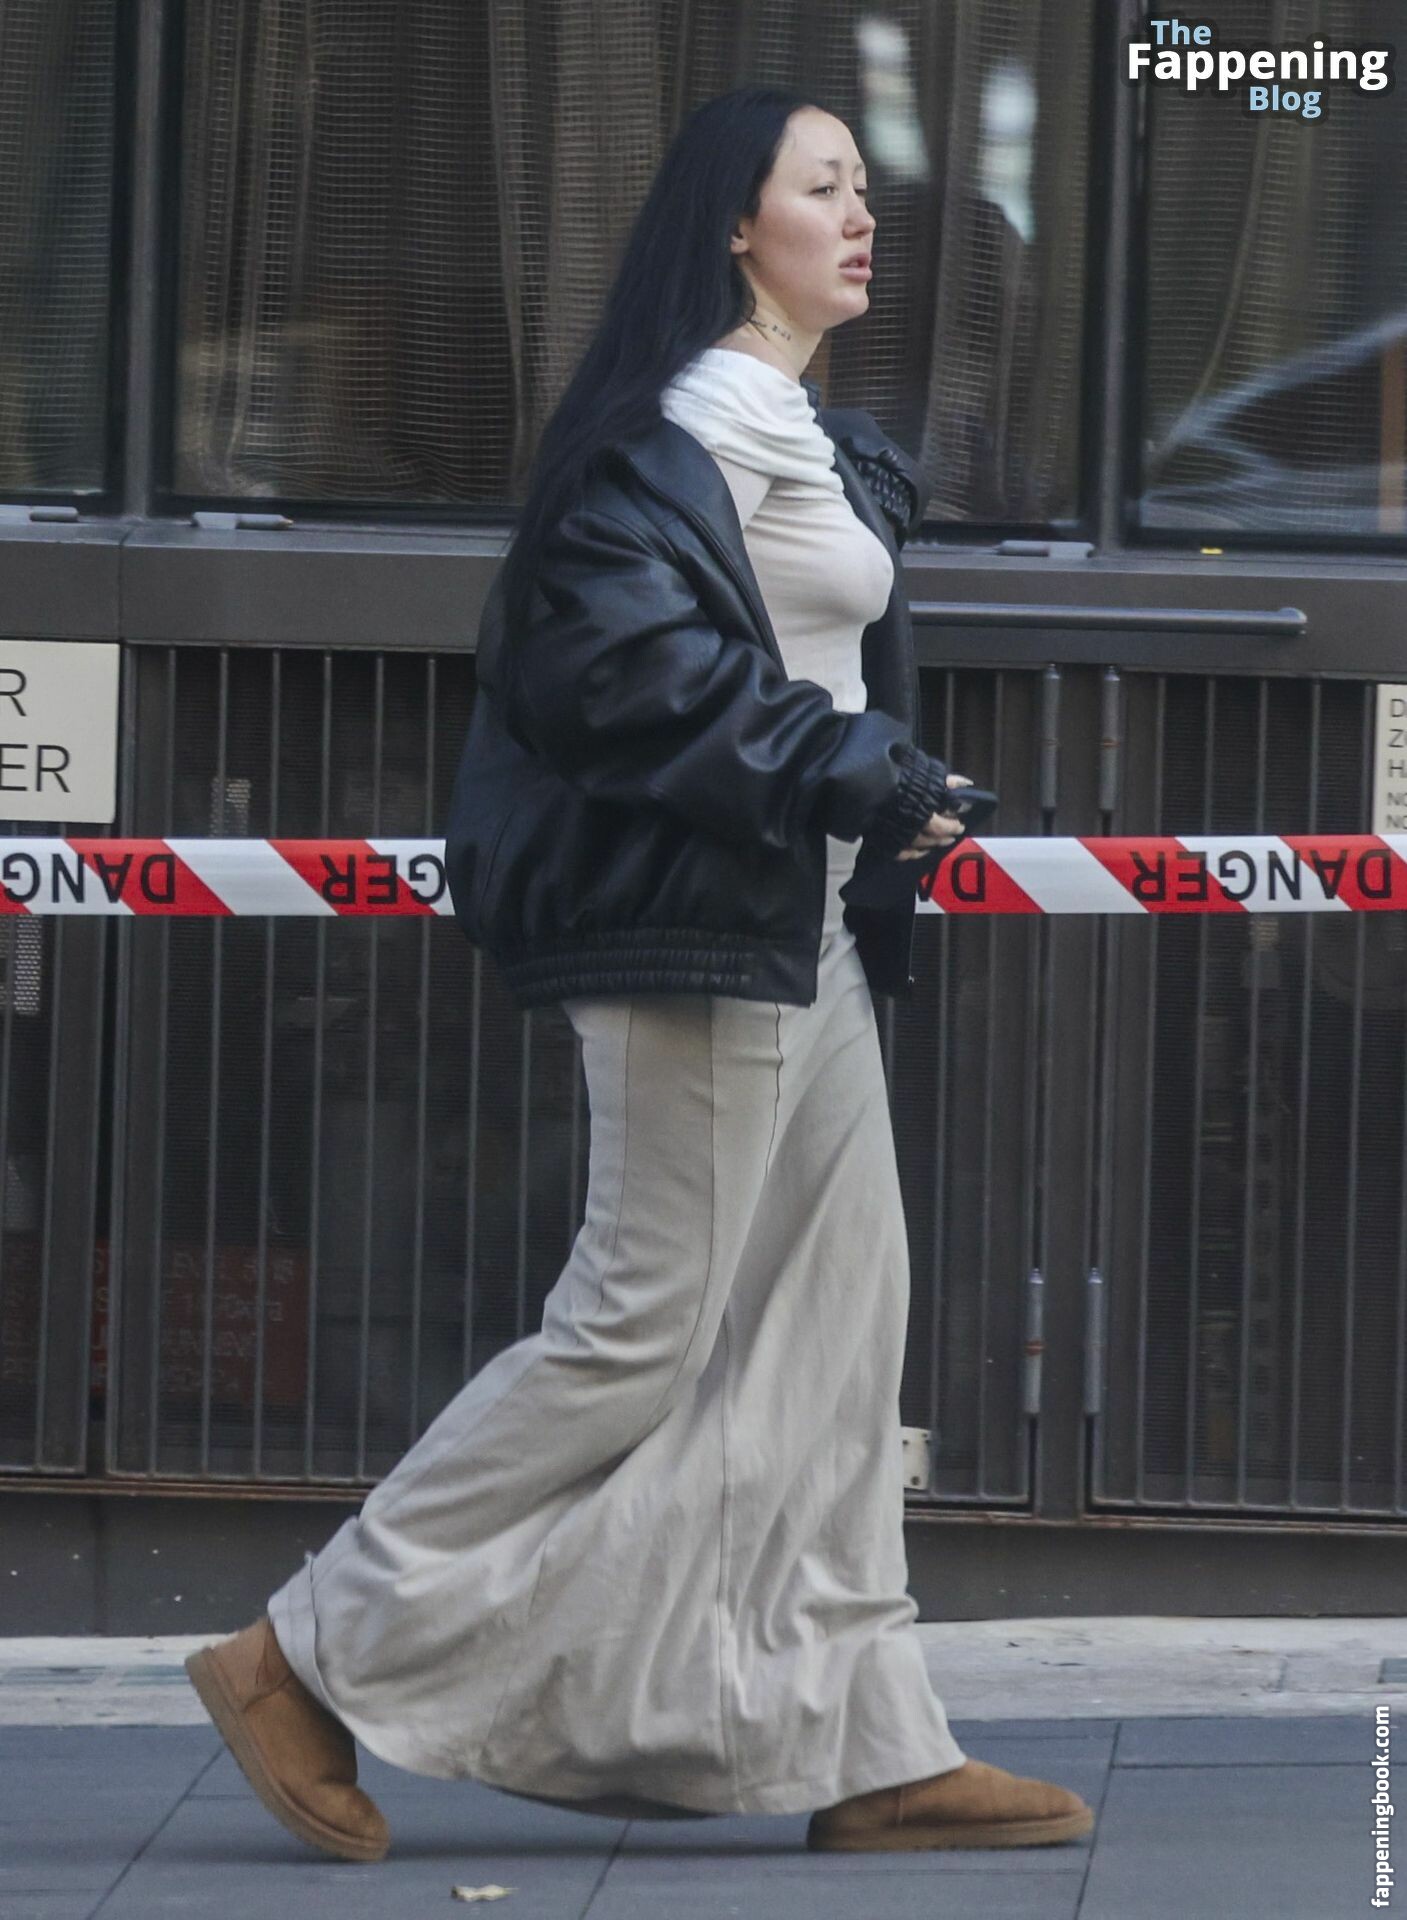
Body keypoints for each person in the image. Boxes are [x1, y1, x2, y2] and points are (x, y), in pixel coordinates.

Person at [184, 83, 1094, 1863]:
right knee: (639, 1327)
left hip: (802, 927)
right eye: (822, 187)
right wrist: (860, 770)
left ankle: (870, 1742)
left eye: (864, 188)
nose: (863, 216)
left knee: (839, 1327)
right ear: (732, 226)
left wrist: (873, 784)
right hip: (693, 934)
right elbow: (637, 683)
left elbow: (803, 664)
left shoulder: (800, 432)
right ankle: (300, 1650)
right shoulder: (656, 447)